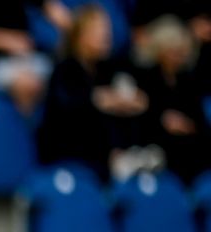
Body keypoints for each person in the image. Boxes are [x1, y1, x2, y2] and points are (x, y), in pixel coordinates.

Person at [38, 5, 151, 181]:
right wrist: (101, 99)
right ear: (80, 35)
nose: (106, 36)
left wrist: (127, 101)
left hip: (106, 156)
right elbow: (70, 108)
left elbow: (137, 99)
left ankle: (127, 156)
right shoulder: (64, 70)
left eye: (107, 29)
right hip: (69, 153)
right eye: (98, 30)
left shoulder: (108, 70)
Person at [134, 15, 211, 183]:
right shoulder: (146, 78)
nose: (177, 56)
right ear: (160, 50)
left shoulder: (188, 81)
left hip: (188, 146)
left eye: (180, 51)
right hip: (158, 145)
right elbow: (142, 114)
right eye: (173, 50)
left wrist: (187, 125)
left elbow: (199, 120)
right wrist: (163, 119)